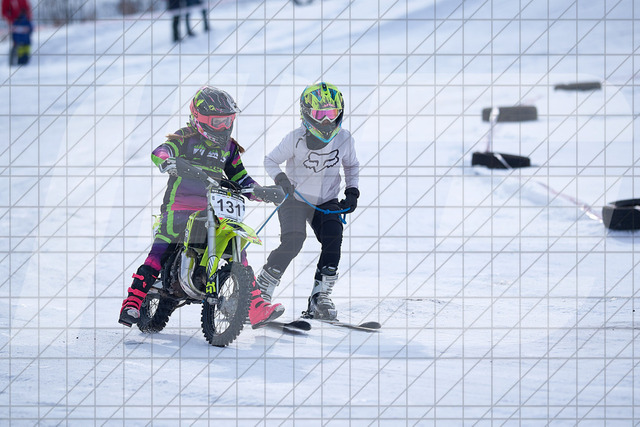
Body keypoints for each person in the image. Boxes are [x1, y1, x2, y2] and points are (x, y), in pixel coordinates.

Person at [119, 86, 284, 329]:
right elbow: (161, 151)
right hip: (179, 207)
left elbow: (241, 179)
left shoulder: (229, 148)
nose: (224, 126)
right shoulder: (185, 138)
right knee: (163, 245)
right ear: (200, 118)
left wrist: (262, 192)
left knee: (237, 247)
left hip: (215, 210)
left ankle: (255, 306)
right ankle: (133, 301)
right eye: (217, 121)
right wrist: (169, 161)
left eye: (228, 120)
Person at [257, 82, 360, 320]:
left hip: (326, 200)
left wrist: (352, 191)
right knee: (294, 240)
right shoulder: (295, 139)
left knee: (333, 239)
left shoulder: (344, 139)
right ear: (306, 114)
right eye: (320, 115)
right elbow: (270, 160)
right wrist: (281, 179)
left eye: (331, 114)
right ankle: (260, 293)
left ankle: (320, 296)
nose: (326, 121)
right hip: (294, 198)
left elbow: (351, 165)